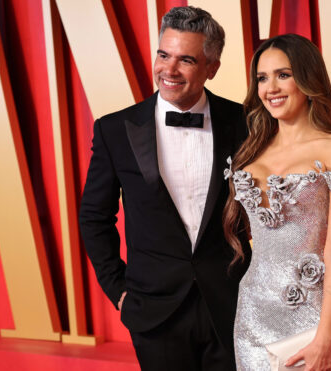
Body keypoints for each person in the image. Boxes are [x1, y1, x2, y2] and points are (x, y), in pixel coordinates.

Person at [78, 6, 251, 371]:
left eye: (186, 59)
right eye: (163, 55)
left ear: (212, 68)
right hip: (153, 313)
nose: (169, 70)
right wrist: (118, 292)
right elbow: (94, 217)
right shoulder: (115, 129)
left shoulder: (244, 122)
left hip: (233, 304)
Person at [223, 34, 331, 371]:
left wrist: (325, 336)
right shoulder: (250, 151)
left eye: (283, 75)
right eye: (262, 78)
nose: (271, 87)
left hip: (313, 315)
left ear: (307, 79)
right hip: (253, 316)